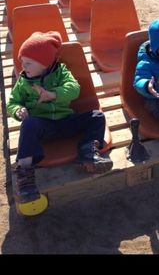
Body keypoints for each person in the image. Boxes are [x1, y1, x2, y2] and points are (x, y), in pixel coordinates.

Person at [7, 31, 113, 203]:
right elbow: (13, 101)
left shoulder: (61, 72)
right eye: (22, 62)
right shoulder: (23, 81)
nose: (23, 67)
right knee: (28, 125)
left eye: (28, 63)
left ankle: (87, 152)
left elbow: (74, 89)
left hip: (66, 121)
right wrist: (17, 110)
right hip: (44, 126)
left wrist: (53, 94)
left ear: (44, 63)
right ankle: (25, 173)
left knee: (97, 116)